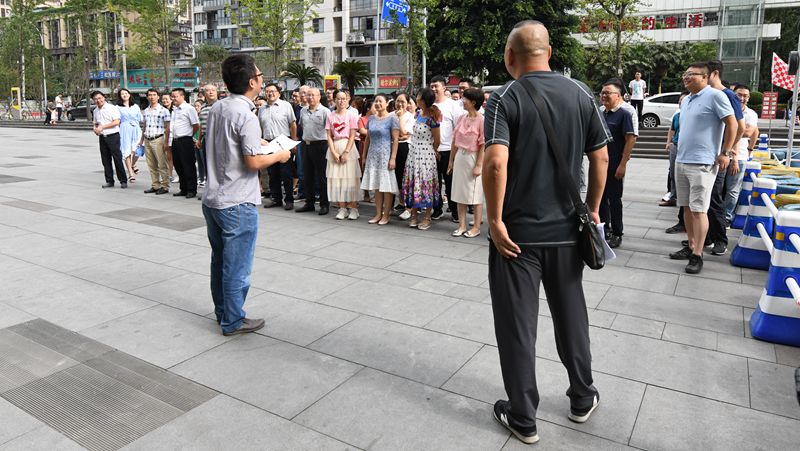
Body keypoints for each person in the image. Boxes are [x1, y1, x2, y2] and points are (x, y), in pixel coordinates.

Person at [483, 21, 610, 445]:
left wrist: (496, 220)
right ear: (550, 52)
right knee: (571, 313)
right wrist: (591, 209)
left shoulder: (503, 97)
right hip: (567, 232)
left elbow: (496, 163)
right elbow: (602, 158)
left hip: (517, 236)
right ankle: (581, 397)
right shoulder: (581, 94)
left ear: (509, 56)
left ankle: (523, 416)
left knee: (518, 324)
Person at [203, 54, 292, 336]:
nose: (262, 79)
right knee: (237, 267)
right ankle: (233, 320)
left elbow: (226, 145)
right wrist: (280, 154)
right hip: (237, 201)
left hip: (214, 198)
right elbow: (252, 163)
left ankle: (223, 313)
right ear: (252, 81)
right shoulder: (246, 114)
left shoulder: (218, 107)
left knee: (220, 261)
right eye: (261, 75)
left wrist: (259, 143)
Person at [668, 62, 737, 274]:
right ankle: (690, 246)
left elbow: (733, 124)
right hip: (682, 160)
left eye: (692, 74)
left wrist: (725, 153)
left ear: (705, 77)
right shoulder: (687, 100)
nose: (686, 77)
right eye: (685, 74)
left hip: (703, 163)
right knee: (687, 207)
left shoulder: (716, 96)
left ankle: (698, 254)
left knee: (699, 209)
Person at [704, 60, 744, 256]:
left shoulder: (728, 95)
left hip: (718, 157)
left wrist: (727, 151)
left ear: (714, 73)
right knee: (702, 200)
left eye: (704, 74)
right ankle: (706, 237)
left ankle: (720, 239)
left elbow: (740, 127)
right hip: (704, 155)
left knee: (714, 198)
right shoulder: (705, 95)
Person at [599, 79, 637, 248]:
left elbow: (630, 140)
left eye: (608, 93)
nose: (604, 96)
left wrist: (623, 164)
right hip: (599, 164)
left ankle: (617, 232)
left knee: (614, 199)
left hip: (615, 164)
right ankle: (603, 228)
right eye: (602, 93)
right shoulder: (600, 113)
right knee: (600, 198)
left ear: (619, 95)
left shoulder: (624, 114)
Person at [447, 87, 485, 238]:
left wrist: (479, 165)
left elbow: (483, 144)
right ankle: (462, 225)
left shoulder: (482, 120)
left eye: (466, 99)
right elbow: (455, 141)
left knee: (475, 194)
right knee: (459, 193)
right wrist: (451, 160)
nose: (463, 101)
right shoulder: (462, 118)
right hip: (460, 158)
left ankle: (476, 226)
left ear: (473, 102)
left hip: (473, 157)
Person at [402, 88, 441, 231]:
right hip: (413, 153)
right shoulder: (418, 114)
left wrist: (431, 150)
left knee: (426, 184)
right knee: (413, 182)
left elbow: (437, 140)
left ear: (423, 99)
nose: (416, 98)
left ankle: (426, 217)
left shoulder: (433, 117)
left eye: (418, 96)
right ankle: (413, 215)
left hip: (426, 154)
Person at [360, 94, 400, 225]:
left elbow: (395, 140)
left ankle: (386, 215)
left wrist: (393, 158)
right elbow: (367, 138)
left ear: (387, 103)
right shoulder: (371, 118)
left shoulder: (392, 118)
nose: (377, 103)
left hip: (385, 155)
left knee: (386, 186)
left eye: (380, 101)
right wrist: (364, 155)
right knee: (377, 186)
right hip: (373, 155)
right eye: (376, 101)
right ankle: (378, 213)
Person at [430, 75, 465, 222]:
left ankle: (455, 210)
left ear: (444, 88)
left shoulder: (453, 105)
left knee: (450, 182)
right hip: (431, 150)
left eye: (436, 86)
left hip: (448, 150)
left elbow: (458, 129)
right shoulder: (429, 105)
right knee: (434, 182)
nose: (433, 89)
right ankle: (437, 209)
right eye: (431, 86)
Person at [259, 83, 298, 210]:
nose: (270, 93)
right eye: (268, 91)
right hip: (268, 142)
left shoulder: (286, 106)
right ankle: (276, 199)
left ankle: (289, 200)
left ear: (278, 93)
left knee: (286, 173)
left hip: (283, 141)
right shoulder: (262, 109)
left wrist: (293, 141)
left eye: (273, 91)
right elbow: (260, 127)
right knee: (272, 173)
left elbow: (293, 124)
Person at [725, 84, 759, 222]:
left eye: (745, 96)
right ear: (733, 94)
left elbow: (749, 133)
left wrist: (730, 129)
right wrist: (739, 130)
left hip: (740, 157)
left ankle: (726, 217)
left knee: (733, 190)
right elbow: (742, 131)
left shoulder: (751, 114)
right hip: (721, 153)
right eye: (739, 94)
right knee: (717, 189)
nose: (742, 98)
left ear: (749, 98)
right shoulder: (726, 109)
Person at [326, 90, 361, 220]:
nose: (341, 101)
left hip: (348, 147)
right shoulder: (331, 116)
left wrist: (346, 152)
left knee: (350, 178)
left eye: (344, 99)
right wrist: (334, 152)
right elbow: (329, 136)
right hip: (335, 146)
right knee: (337, 178)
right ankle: (342, 207)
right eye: (338, 99)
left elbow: (352, 135)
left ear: (348, 101)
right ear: (335, 100)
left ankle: (353, 207)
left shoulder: (351, 115)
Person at [297, 88, 331, 215]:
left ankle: (324, 204)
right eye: (308, 95)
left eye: (313, 95)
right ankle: (309, 203)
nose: (310, 97)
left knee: (322, 177)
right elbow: (302, 126)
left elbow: (329, 131)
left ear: (318, 97)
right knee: (307, 176)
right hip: (306, 145)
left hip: (320, 145)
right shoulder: (303, 111)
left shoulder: (325, 111)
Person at [168, 88, 200, 198]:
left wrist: (189, 135)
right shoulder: (175, 109)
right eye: (172, 96)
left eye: (175, 96)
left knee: (188, 165)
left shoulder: (189, 109)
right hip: (175, 140)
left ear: (182, 96)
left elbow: (196, 125)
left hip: (185, 140)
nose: (173, 99)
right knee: (178, 165)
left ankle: (191, 190)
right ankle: (183, 188)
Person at [91, 91, 128, 189]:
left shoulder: (112, 108)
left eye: (100, 98)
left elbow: (116, 122)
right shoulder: (95, 111)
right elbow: (95, 123)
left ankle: (123, 180)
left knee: (117, 158)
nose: (98, 100)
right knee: (105, 160)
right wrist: (95, 129)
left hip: (113, 136)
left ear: (104, 97)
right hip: (102, 137)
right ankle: (109, 180)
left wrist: (103, 127)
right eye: (96, 99)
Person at [139, 88, 171, 194]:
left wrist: (166, 142)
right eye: (150, 95)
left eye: (154, 95)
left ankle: (165, 185)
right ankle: (155, 185)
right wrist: (141, 140)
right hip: (148, 139)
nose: (152, 97)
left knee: (162, 164)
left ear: (158, 97)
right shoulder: (146, 110)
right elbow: (144, 126)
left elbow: (168, 128)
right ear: (147, 97)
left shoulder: (164, 111)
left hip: (159, 139)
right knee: (151, 164)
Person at [394, 93, 415, 220]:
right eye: (398, 101)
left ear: (408, 104)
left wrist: (401, 117)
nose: (400, 104)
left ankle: (409, 207)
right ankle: (401, 202)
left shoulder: (409, 117)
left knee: (405, 177)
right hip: (393, 147)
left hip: (404, 148)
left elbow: (404, 134)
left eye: (403, 101)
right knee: (397, 177)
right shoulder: (391, 115)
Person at [117, 88, 143, 183]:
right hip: (124, 130)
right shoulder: (118, 107)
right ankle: (131, 174)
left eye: (126, 93)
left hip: (136, 129)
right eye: (122, 94)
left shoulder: (135, 106)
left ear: (129, 94)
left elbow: (140, 118)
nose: (124, 95)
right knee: (126, 151)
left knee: (138, 149)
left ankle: (133, 164)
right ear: (120, 96)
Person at [197, 84, 219, 191]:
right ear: (204, 93)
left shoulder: (221, 105)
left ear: (216, 92)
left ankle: (218, 189)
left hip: (218, 140)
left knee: (217, 166)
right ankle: (210, 189)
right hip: (206, 139)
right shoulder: (203, 108)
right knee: (207, 165)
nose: (210, 92)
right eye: (208, 90)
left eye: (213, 90)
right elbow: (202, 124)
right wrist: (199, 139)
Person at [161, 93, 177, 183]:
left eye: (167, 99)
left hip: (171, 135)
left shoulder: (175, 110)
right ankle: (165, 174)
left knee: (169, 156)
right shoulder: (160, 110)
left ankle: (170, 175)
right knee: (163, 156)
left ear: (171, 100)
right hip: (161, 135)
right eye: (163, 99)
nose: (165, 101)